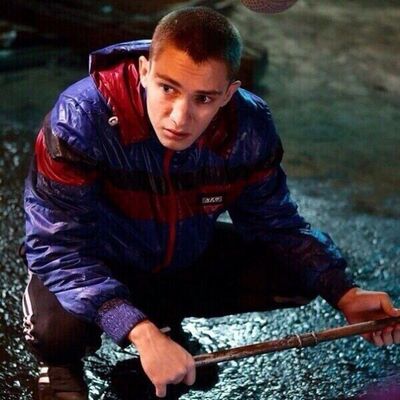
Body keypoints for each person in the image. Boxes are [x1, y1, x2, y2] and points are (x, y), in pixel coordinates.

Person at [21, 6, 400, 400]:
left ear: (229, 94)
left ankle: (166, 320)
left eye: (203, 98)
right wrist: (139, 331)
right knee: (56, 332)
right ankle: (61, 364)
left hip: (178, 257)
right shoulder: (80, 117)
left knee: (294, 275)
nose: (180, 117)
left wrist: (345, 293)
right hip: (98, 256)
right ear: (144, 70)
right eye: (168, 88)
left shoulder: (248, 126)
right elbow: (56, 245)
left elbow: (277, 224)